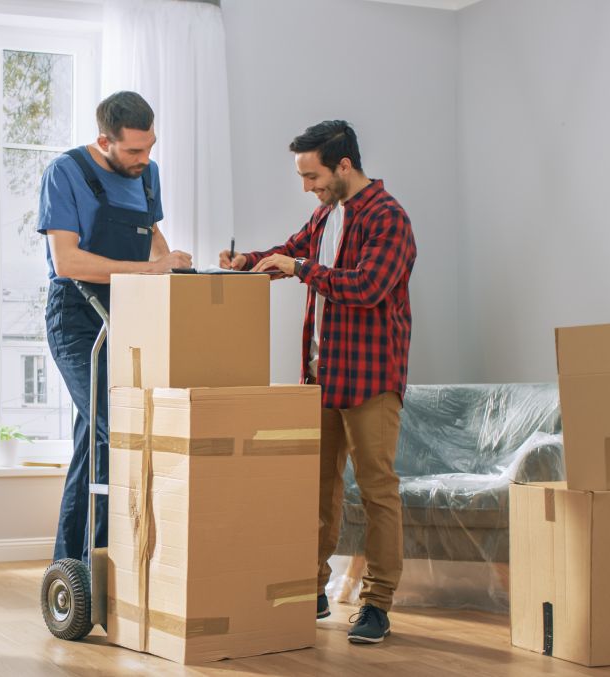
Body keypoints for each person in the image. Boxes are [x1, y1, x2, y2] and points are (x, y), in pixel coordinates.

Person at [219, 120, 416, 644]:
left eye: (312, 175)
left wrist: (301, 266)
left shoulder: (389, 219)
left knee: (377, 492)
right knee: (316, 489)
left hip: (371, 379)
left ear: (344, 165)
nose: (307, 187)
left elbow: (368, 287)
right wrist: (250, 262)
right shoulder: (327, 215)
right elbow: (290, 252)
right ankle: (313, 591)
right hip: (322, 377)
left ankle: (377, 604)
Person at [38, 91, 191, 563]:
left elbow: (151, 239)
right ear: (104, 140)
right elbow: (67, 261)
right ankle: (115, 556)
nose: (144, 159)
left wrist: (175, 267)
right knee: (119, 425)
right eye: (133, 152)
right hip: (77, 317)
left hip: (128, 313)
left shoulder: (149, 174)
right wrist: (151, 270)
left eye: (150, 148)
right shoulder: (65, 173)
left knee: (95, 440)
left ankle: (80, 564)